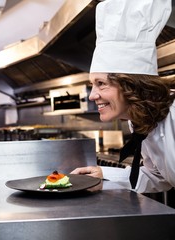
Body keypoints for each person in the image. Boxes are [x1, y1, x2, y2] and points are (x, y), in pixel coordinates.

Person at [71, 0, 175, 193]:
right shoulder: (139, 118)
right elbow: (158, 176)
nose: (92, 96)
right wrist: (103, 175)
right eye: (92, 85)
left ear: (131, 86)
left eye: (101, 83)